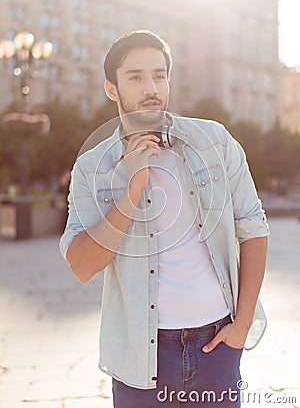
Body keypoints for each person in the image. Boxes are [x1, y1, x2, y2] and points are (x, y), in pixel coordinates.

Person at [60, 30, 269, 407]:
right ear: (112, 88)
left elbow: (253, 228)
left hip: (217, 344)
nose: (151, 86)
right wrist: (134, 186)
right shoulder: (92, 168)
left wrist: (243, 324)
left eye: (159, 75)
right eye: (136, 77)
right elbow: (81, 265)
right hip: (142, 354)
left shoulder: (215, 142)